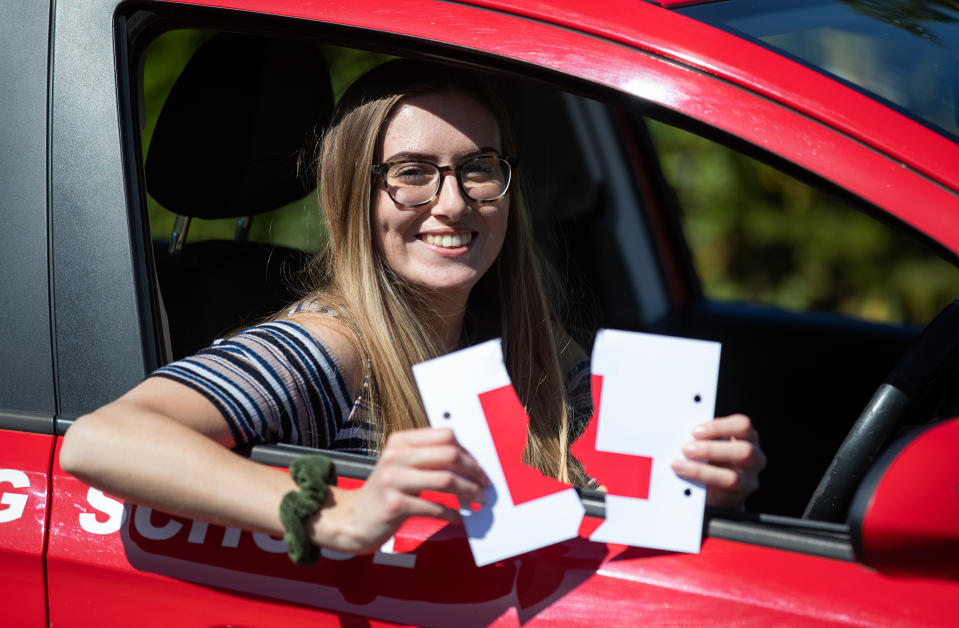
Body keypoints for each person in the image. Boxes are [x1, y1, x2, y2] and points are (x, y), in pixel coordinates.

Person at [60, 60, 765, 561]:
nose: (453, 202)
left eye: (478, 167)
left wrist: (696, 483)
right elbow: (102, 440)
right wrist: (336, 512)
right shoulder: (330, 348)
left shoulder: (531, 345)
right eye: (411, 173)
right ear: (354, 198)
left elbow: (587, 508)